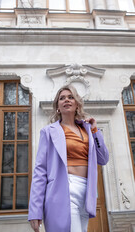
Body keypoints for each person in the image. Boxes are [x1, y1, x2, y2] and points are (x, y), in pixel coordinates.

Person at [28, 85, 109, 232]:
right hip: (64, 189)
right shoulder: (48, 131)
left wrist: (95, 130)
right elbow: (40, 171)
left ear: (77, 104)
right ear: (57, 106)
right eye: (62, 98)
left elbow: (103, 159)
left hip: (87, 193)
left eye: (70, 97)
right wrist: (35, 210)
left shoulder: (87, 130)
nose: (66, 100)